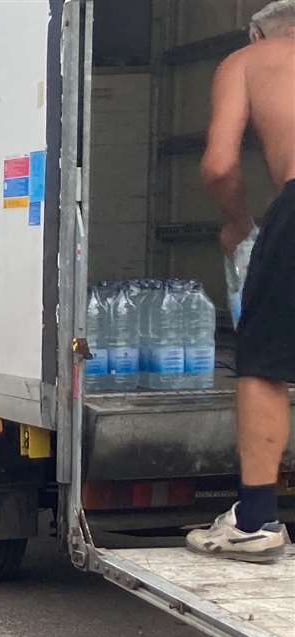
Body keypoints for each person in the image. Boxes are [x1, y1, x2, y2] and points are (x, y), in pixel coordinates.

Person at [189, 0, 295, 561]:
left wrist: (238, 221)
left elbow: (220, 164)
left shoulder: (250, 61)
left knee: (262, 363)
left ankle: (255, 519)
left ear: (257, 33)